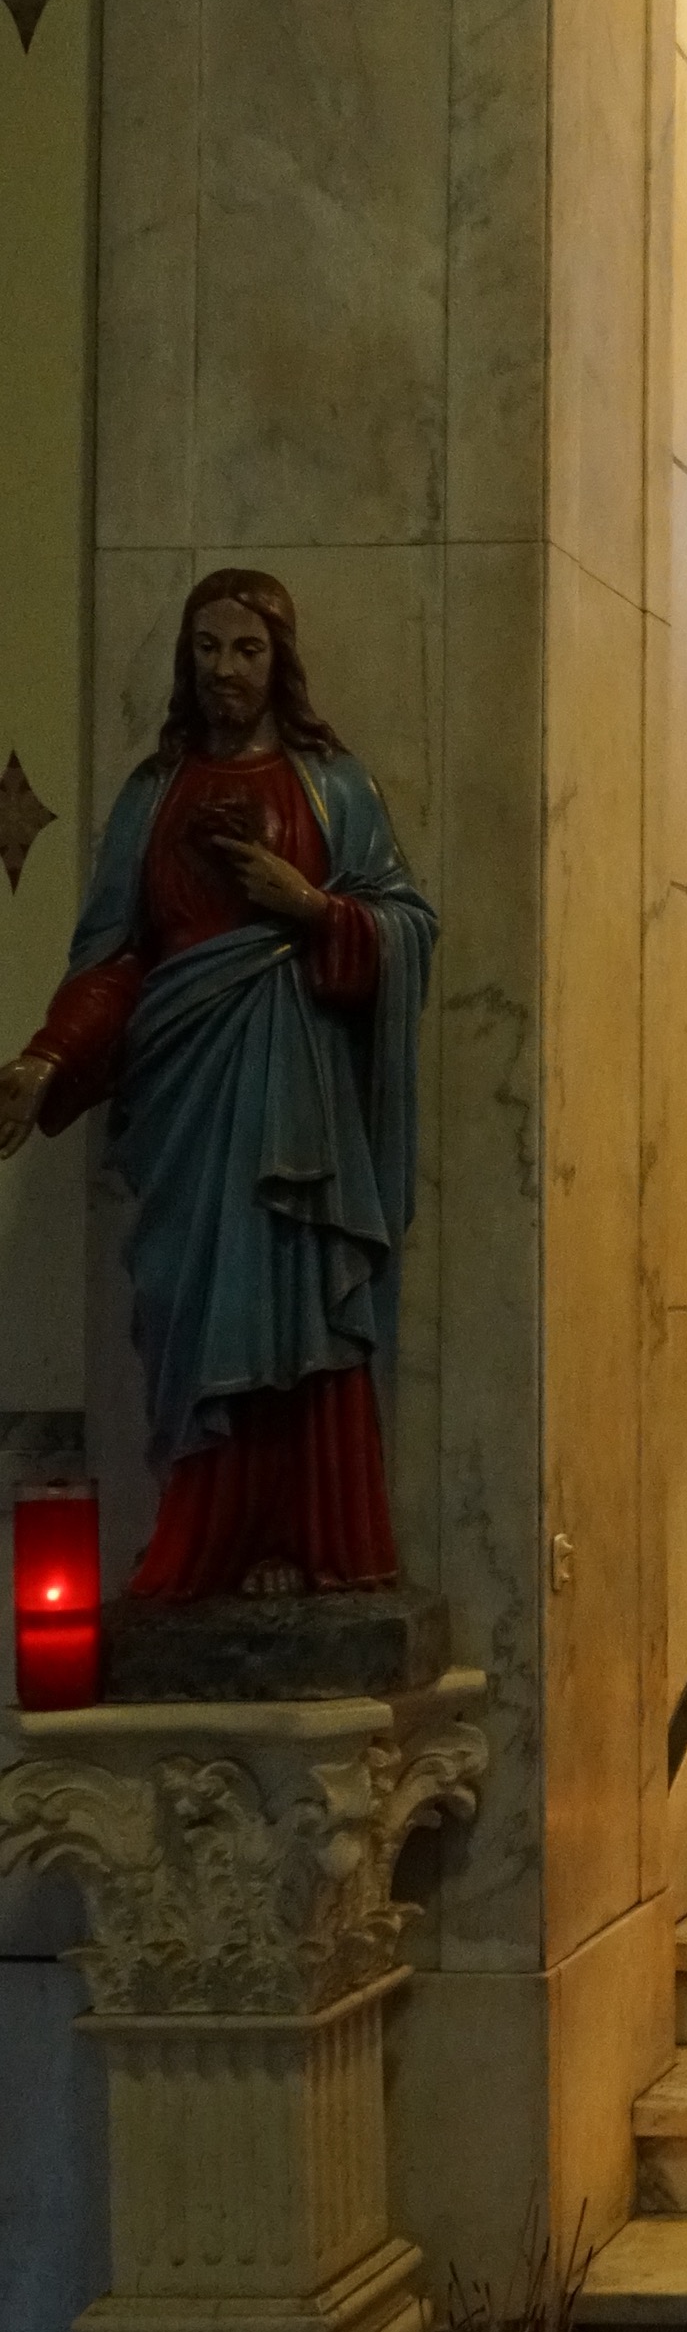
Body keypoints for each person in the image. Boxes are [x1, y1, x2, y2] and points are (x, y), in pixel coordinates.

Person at [0, 570, 435, 1598]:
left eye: (246, 649)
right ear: (185, 661)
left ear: (281, 659)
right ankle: (207, 1544)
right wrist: (45, 1059)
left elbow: (409, 924)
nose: (225, 670)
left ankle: (311, 1537)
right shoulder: (153, 796)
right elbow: (111, 959)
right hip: (187, 1101)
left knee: (299, 1309)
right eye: (207, 648)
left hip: (299, 1098)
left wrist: (313, 906)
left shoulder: (335, 787)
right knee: (199, 1314)